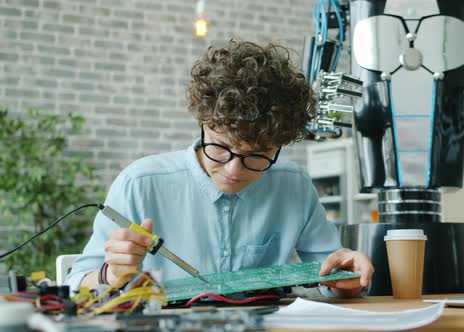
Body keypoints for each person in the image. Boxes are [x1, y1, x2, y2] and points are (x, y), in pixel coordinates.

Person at [65, 40, 374, 298]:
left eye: (257, 155)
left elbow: (332, 279)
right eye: (221, 148)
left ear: (281, 144)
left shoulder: (293, 186)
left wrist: (347, 277)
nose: (234, 170)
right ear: (204, 123)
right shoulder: (141, 183)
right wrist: (111, 274)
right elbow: (75, 283)